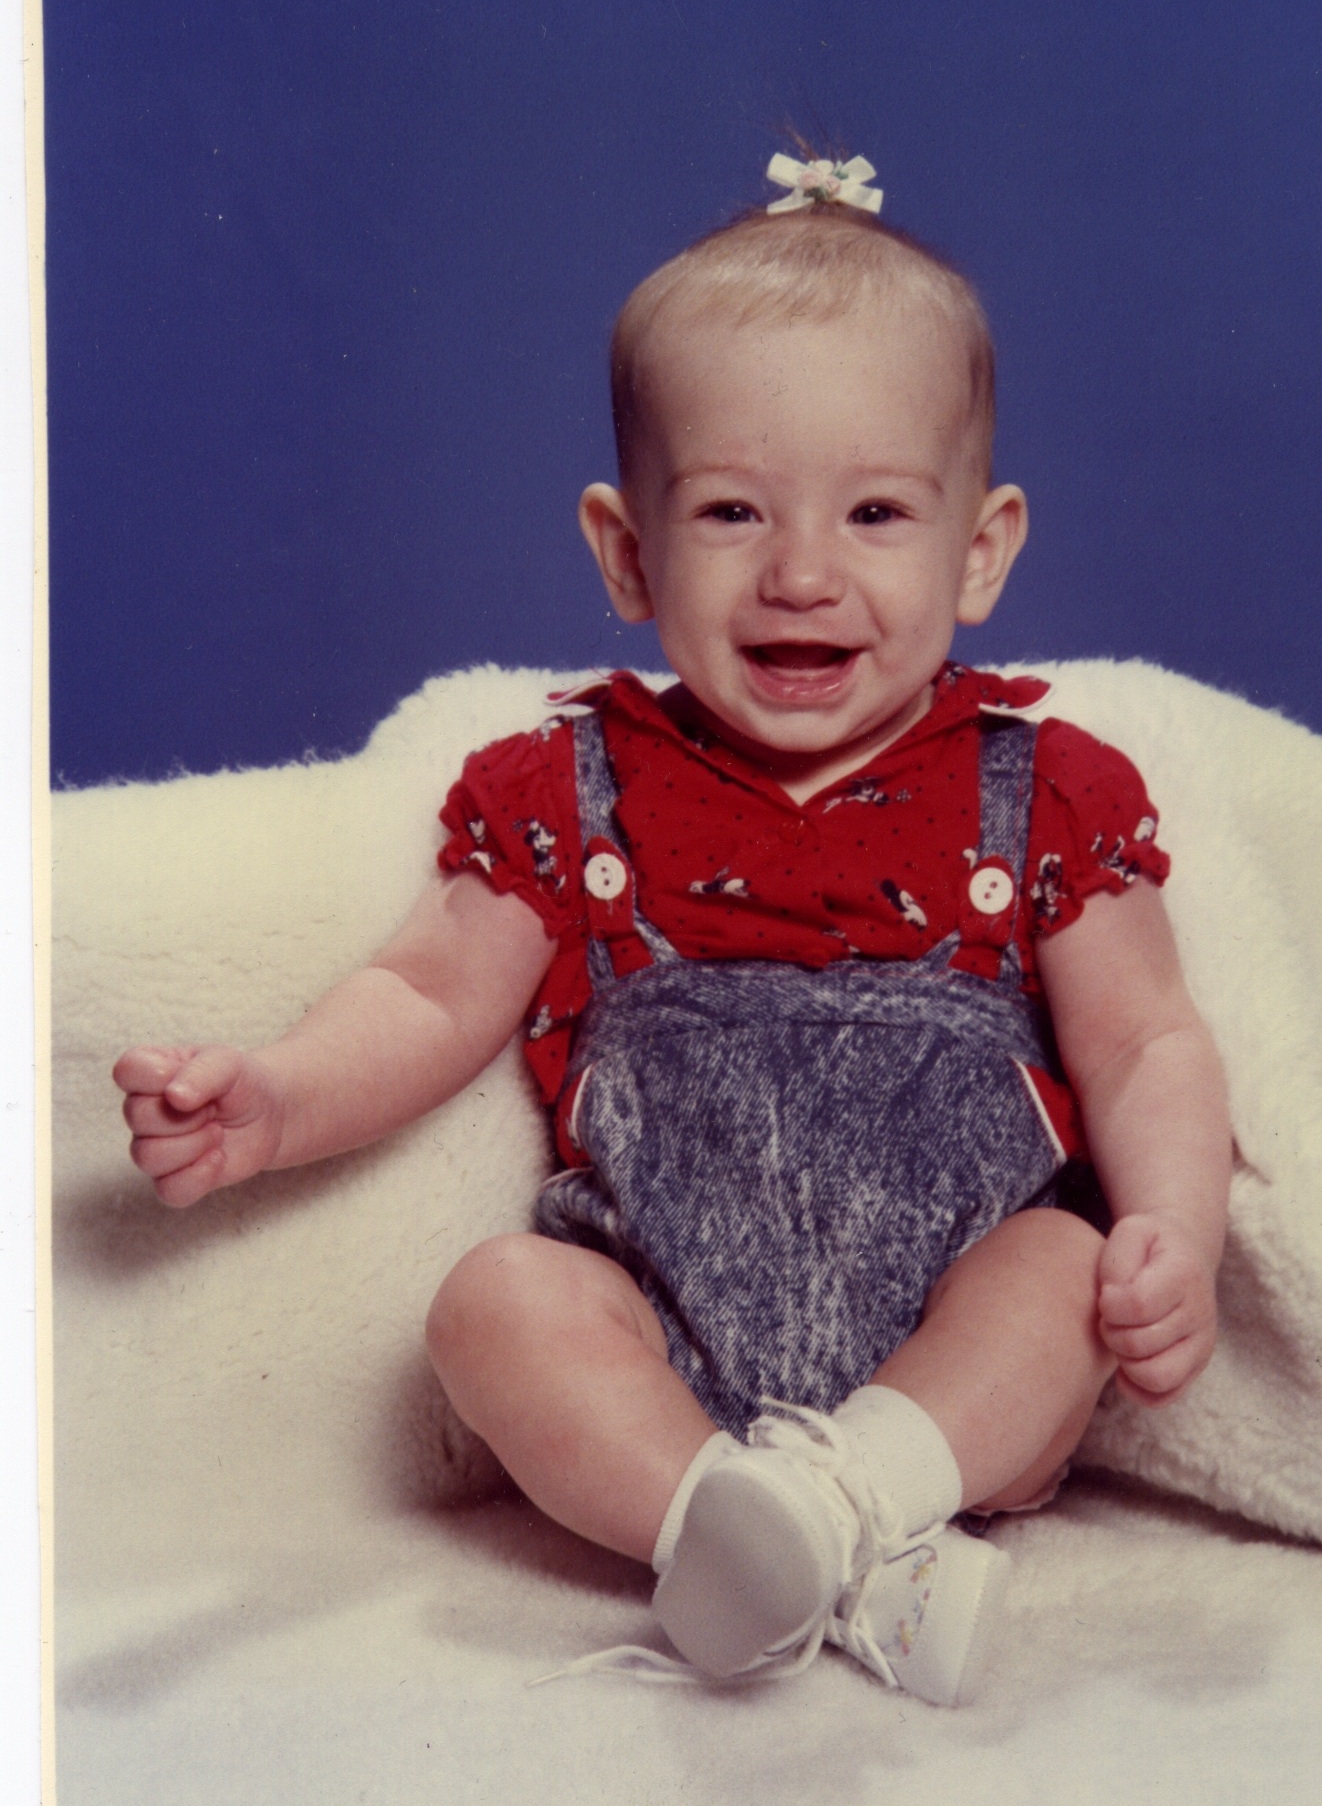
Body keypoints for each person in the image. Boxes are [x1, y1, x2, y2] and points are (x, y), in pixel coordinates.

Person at [115, 154, 1231, 1708]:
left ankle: (833, 1512)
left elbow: (1145, 1035)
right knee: (489, 1307)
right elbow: (430, 990)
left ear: (980, 548)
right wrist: (281, 1094)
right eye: (729, 508)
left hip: (960, 1362)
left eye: (875, 511)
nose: (801, 570)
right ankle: (750, 1534)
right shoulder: (567, 787)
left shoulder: (1044, 789)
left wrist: (1177, 1224)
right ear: (627, 549)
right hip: (667, 1349)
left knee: (1062, 1260)